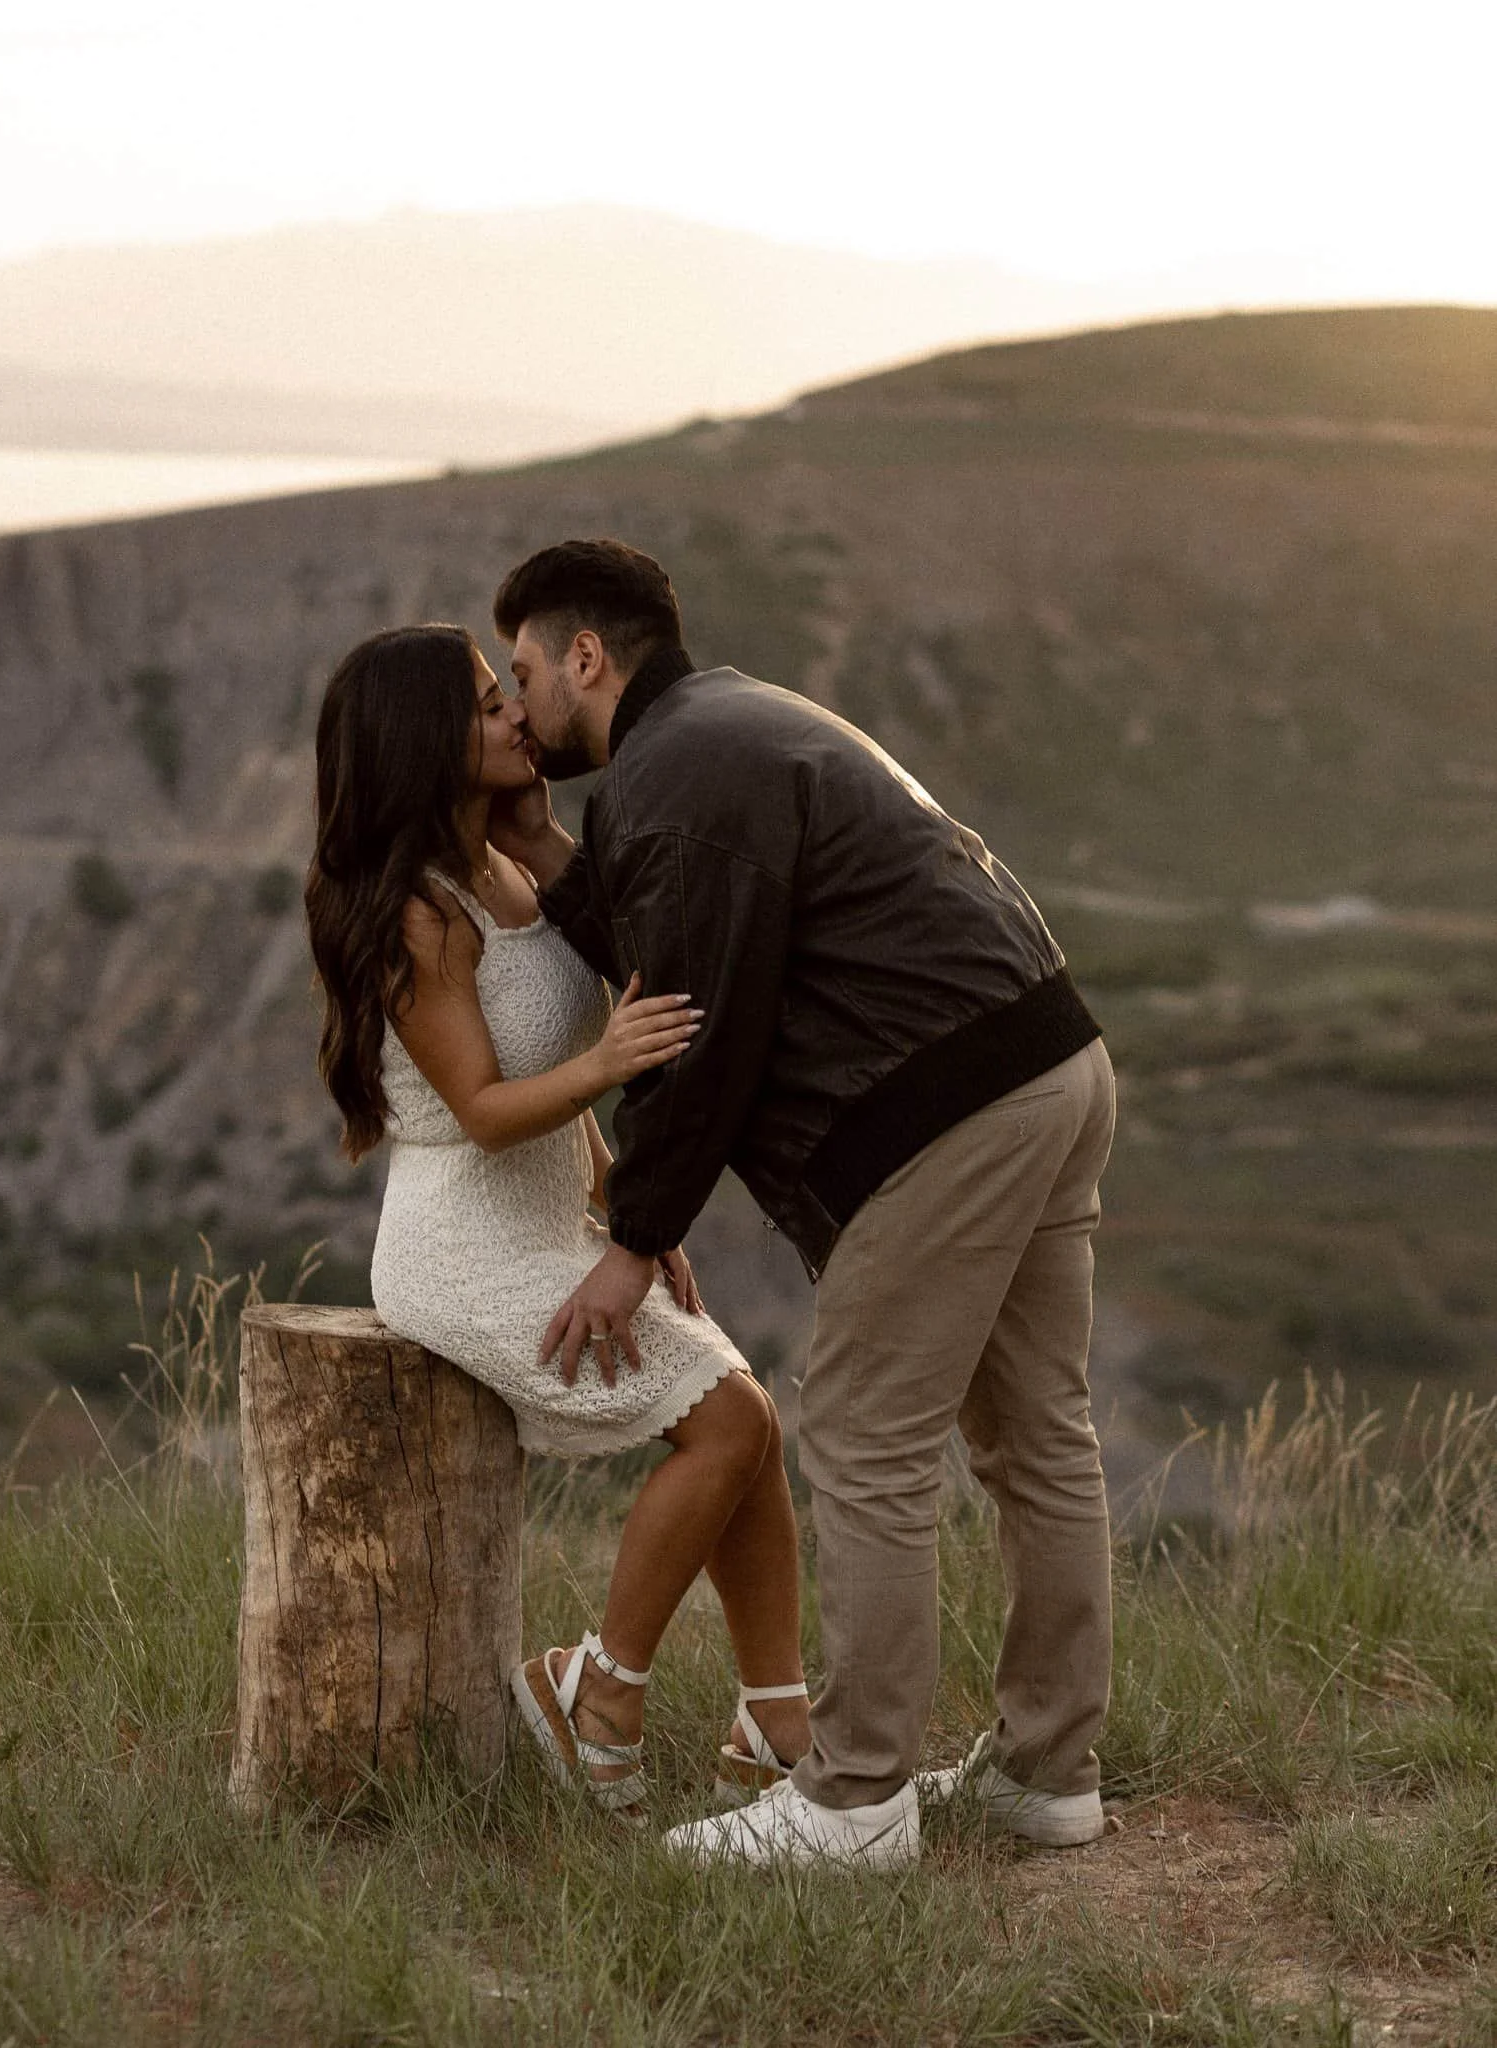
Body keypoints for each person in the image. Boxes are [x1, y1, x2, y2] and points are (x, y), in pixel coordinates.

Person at [487, 540, 1117, 1870]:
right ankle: (1045, 1775)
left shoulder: (676, 772)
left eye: (524, 671)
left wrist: (632, 1240)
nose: (517, 700)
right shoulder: (723, 731)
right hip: (1050, 1060)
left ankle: (853, 1800)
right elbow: (659, 923)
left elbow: (691, 1027)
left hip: (947, 1109)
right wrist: (535, 844)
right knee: (1033, 1437)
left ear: (585, 658)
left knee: (862, 1441)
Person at [303, 623, 810, 1821]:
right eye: (488, 708)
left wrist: (630, 1212)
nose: (517, 717)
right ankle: (598, 1688)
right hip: (463, 1246)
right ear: (429, 743)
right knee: (728, 1420)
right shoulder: (421, 915)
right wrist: (613, 1063)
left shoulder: (510, 869)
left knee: (751, 1424)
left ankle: (779, 1718)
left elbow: (564, 1029)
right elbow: (482, 1106)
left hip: (552, 1217)